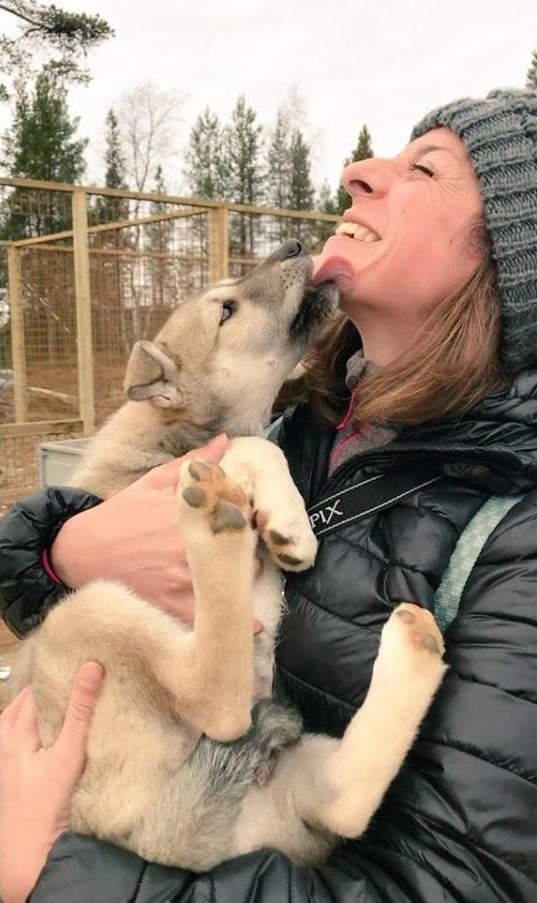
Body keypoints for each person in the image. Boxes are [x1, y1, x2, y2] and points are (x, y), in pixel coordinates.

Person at [0, 88, 536, 902]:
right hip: (242, 792)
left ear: (509, 253)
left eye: (424, 169)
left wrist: (52, 871)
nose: (357, 173)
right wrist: (67, 547)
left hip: (160, 836)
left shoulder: (511, 526)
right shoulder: (303, 427)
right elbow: (30, 583)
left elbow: (456, 883)